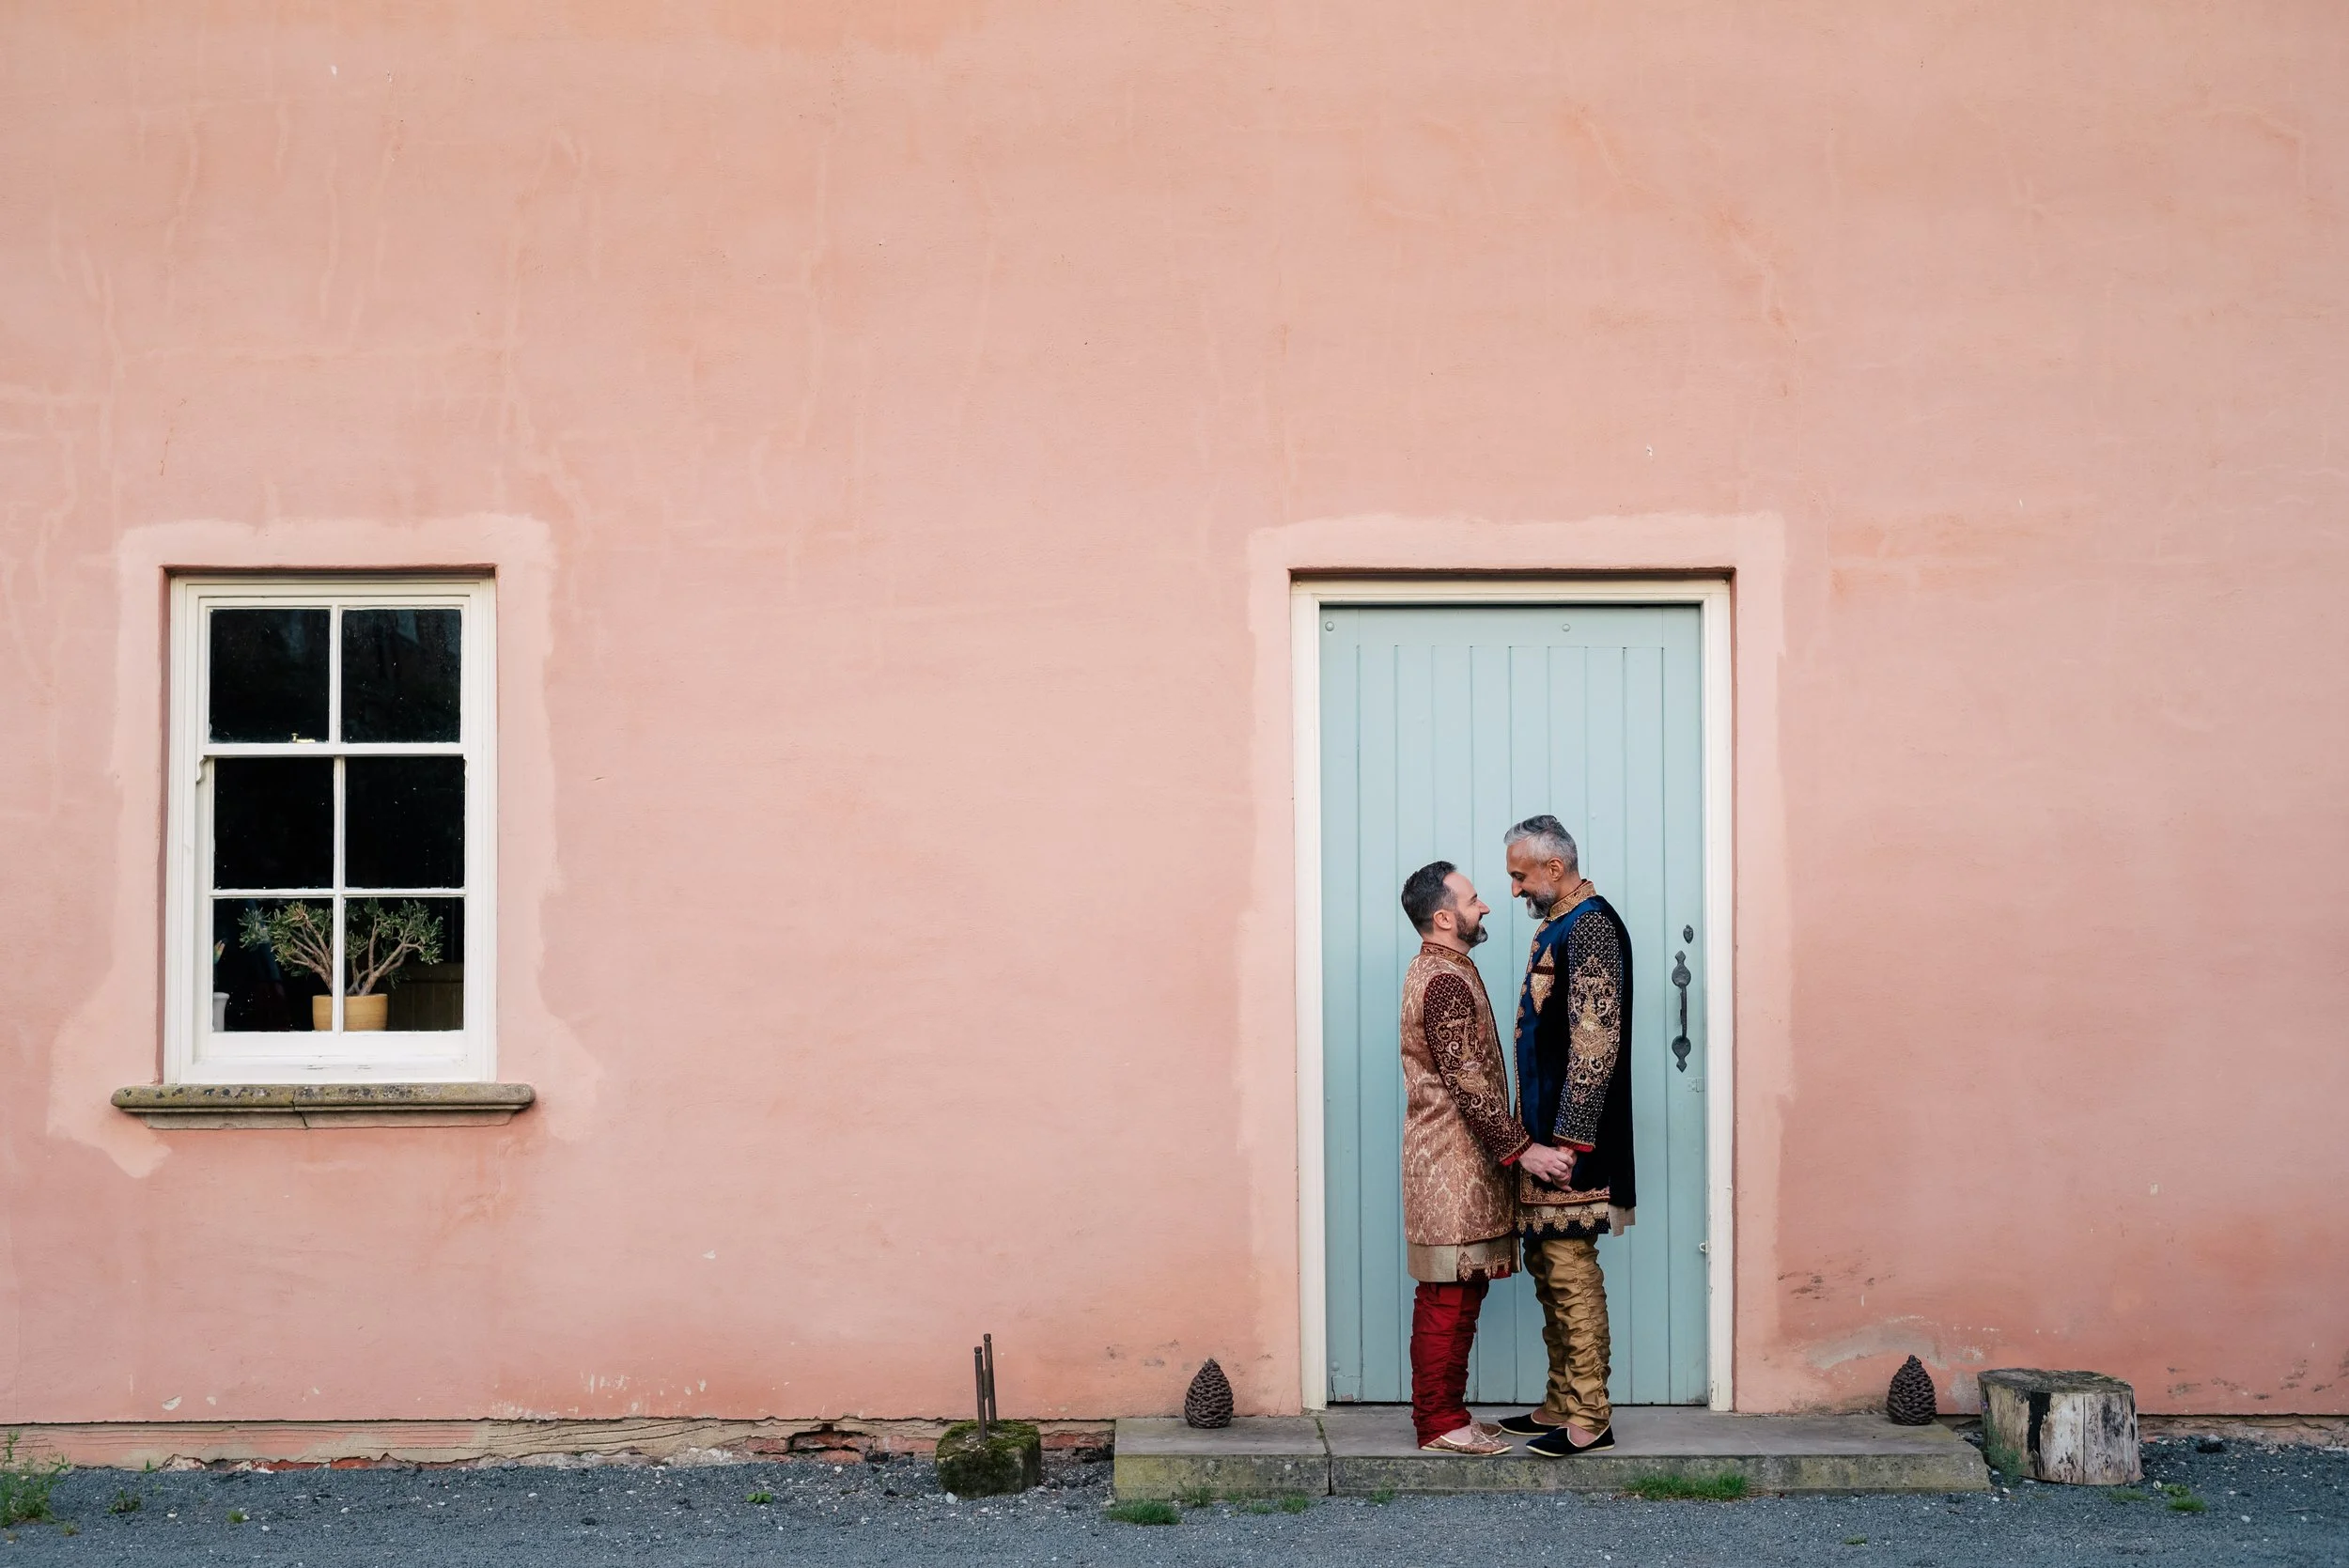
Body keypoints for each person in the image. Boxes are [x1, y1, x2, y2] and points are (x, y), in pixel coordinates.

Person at [1393, 861, 1578, 1454]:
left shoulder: (1445, 969)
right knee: (1449, 1295)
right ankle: (1440, 1425)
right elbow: (1467, 1082)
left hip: (1458, 1162)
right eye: (1474, 899)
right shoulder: (1444, 979)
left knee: (1460, 1292)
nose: (1487, 906)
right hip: (1450, 1164)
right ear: (1445, 916)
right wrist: (1524, 1151)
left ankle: (1448, 1414)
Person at [1494, 815, 1636, 1457]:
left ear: (1556, 868)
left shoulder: (1593, 925)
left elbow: (1595, 1041)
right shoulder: (1559, 924)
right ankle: (1561, 1399)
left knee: (1572, 1270)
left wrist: (1572, 1146)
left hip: (1571, 1146)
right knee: (1550, 1270)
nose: (1516, 887)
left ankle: (1591, 1415)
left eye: (1522, 874)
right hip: (1544, 1139)